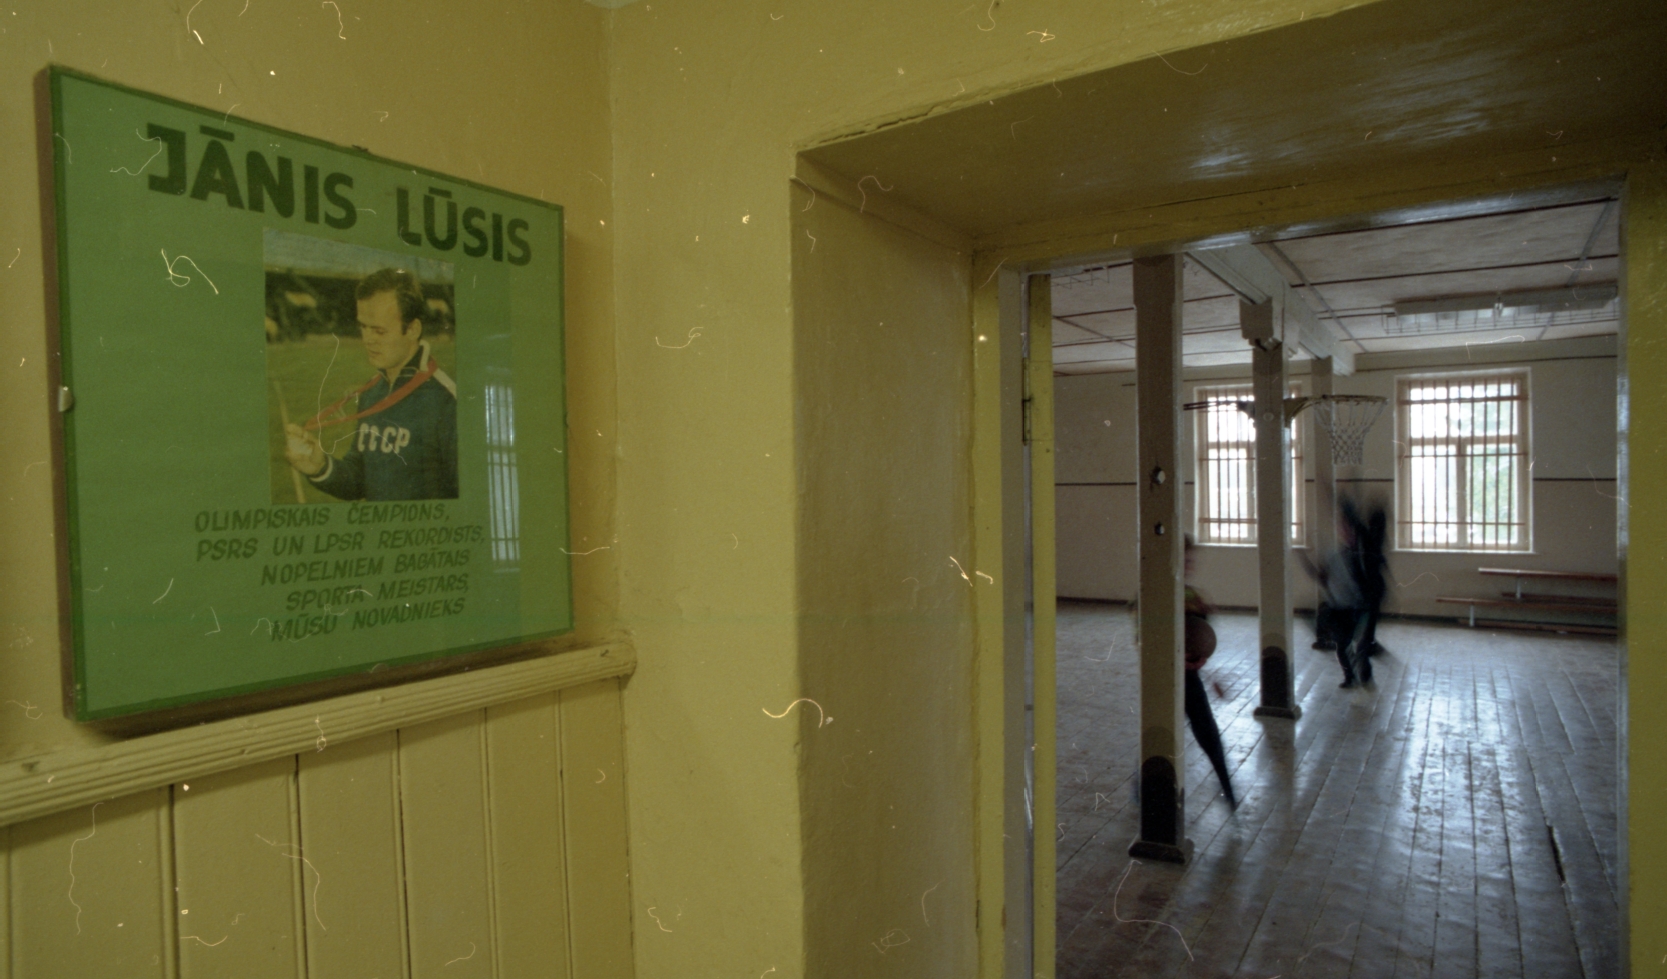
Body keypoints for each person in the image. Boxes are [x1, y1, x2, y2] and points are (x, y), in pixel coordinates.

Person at [285, 268, 458, 501]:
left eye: (379, 331)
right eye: (363, 327)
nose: (367, 339)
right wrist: (321, 467)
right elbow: (360, 479)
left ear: (412, 329)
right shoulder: (372, 392)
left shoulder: (447, 401)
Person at [1183, 537, 1237, 811]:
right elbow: (1143, 640)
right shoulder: (1149, 595)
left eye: (1189, 560)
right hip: (1163, 679)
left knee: (1208, 732)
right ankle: (1142, 788)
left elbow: (1200, 634)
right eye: (1183, 560)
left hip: (1189, 678)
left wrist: (1200, 657)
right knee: (1159, 736)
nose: (1188, 565)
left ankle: (1227, 787)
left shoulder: (1193, 596)